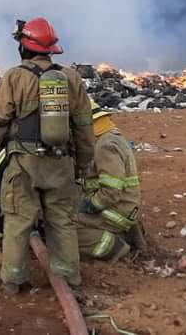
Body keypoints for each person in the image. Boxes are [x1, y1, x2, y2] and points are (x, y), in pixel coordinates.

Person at [0, 17, 95, 294]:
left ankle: (13, 280)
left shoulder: (14, 78)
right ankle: (68, 279)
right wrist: (83, 164)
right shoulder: (71, 78)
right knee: (62, 221)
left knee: (18, 220)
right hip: (61, 163)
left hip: (24, 165)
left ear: (24, 48)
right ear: (52, 49)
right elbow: (84, 126)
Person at [76, 101, 146, 262]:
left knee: (63, 228)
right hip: (125, 207)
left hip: (115, 210)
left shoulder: (104, 146)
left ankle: (114, 248)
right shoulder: (113, 138)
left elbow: (111, 191)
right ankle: (127, 235)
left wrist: (90, 205)